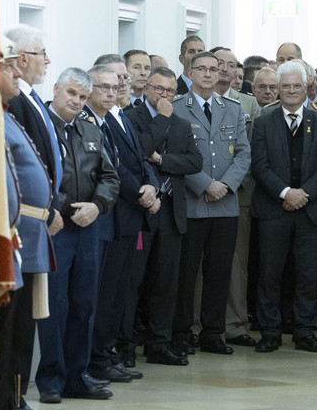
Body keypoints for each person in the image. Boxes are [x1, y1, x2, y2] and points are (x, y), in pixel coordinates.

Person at [36, 68, 119, 403]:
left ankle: (77, 376)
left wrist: (97, 206)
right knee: (55, 304)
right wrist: (70, 208)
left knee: (84, 303)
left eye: (83, 97)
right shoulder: (41, 125)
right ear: (56, 89)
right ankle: (51, 379)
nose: (76, 101)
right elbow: (38, 176)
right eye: (71, 93)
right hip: (57, 226)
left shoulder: (89, 129)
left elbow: (110, 176)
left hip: (89, 227)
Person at [0, 38, 54, 410]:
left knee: (19, 330)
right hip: (12, 233)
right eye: (8, 66)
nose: (16, 71)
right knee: (7, 330)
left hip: (28, 234)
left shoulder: (8, 111)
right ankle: (6, 398)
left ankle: (14, 395)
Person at [250, 61, 317, 353]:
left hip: (312, 212)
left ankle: (305, 332)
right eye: (284, 86)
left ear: (306, 88)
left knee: (308, 275)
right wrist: (286, 192)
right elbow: (259, 166)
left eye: (296, 86)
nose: (290, 91)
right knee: (270, 275)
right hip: (273, 210)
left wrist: (304, 194)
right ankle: (270, 333)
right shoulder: (263, 121)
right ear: (277, 89)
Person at [171, 51, 251, 356]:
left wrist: (225, 185)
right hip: (192, 203)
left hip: (224, 205)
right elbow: (175, 155)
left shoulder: (232, 109)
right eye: (201, 69)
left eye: (213, 69)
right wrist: (205, 184)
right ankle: (181, 332)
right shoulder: (178, 108)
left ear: (220, 74)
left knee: (220, 271)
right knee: (186, 272)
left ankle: (213, 332)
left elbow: (243, 153)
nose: (208, 74)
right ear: (190, 72)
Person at [126, 67, 203, 366]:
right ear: (146, 88)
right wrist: (161, 120)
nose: (165, 96)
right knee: (135, 281)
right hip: (143, 211)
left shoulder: (182, 124)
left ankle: (159, 344)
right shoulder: (132, 120)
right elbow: (139, 150)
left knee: (166, 282)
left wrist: (161, 160)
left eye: (170, 91)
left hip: (171, 212)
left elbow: (195, 162)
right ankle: (126, 345)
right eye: (159, 89)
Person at [85, 64, 157, 384]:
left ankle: (107, 353)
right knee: (104, 294)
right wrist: (141, 192)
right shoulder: (91, 122)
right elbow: (112, 169)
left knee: (117, 294)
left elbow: (140, 159)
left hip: (128, 217)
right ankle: (98, 358)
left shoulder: (120, 115)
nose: (114, 91)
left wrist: (152, 185)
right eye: (106, 86)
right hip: (111, 215)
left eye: (118, 85)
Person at [4, 25, 62, 407]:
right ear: (21, 59)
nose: (48, 60)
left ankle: (17, 391)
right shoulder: (17, 104)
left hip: (37, 222)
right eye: (42, 53)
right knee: (16, 323)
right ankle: (12, 393)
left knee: (25, 323)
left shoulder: (31, 98)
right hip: (22, 225)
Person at [211, 47, 260, 348]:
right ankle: (196, 324)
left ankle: (235, 324)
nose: (226, 70)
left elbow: (251, 151)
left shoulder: (249, 104)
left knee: (235, 263)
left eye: (232, 65)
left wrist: (227, 184)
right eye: (220, 64)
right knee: (200, 263)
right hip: (198, 193)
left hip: (237, 193)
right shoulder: (184, 104)